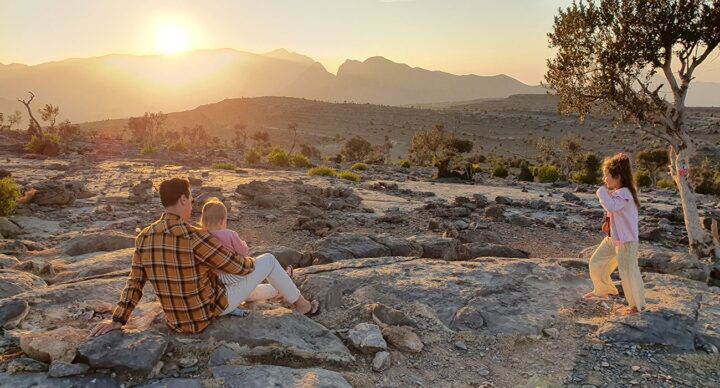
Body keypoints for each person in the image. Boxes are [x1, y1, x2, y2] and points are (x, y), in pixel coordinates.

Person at [89, 177, 317, 337]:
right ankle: (303, 306)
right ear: (182, 200)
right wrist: (253, 263)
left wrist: (117, 320)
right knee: (266, 260)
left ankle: (278, 291)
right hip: (207, 313)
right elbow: (239, 267)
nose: (191, 204)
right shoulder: (193, 236)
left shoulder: (145, 237)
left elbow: (134, 283)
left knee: (246, 285)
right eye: (190, 200)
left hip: (176, 322)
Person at [198, 197, 317, 313]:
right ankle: (302, 305)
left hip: (217, 282)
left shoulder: (200, 237)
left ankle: (281, 288)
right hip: (230, 278)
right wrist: (243, 244)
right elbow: (243, 252)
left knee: (250, 290)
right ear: (222, 221)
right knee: (268, 260)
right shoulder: (230, 234)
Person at [583, 153, 645, 315]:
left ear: (618, 177)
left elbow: (611, 206)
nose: (604, 179)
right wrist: (608, 223)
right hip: (614, 239)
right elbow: (613, 212)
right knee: (597, 261)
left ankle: (636, 306)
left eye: (607, 176)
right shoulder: (620, 192)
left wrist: (601, 192)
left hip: (626, 241)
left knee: (628, 271)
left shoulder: (624, 193)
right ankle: (602, 291)